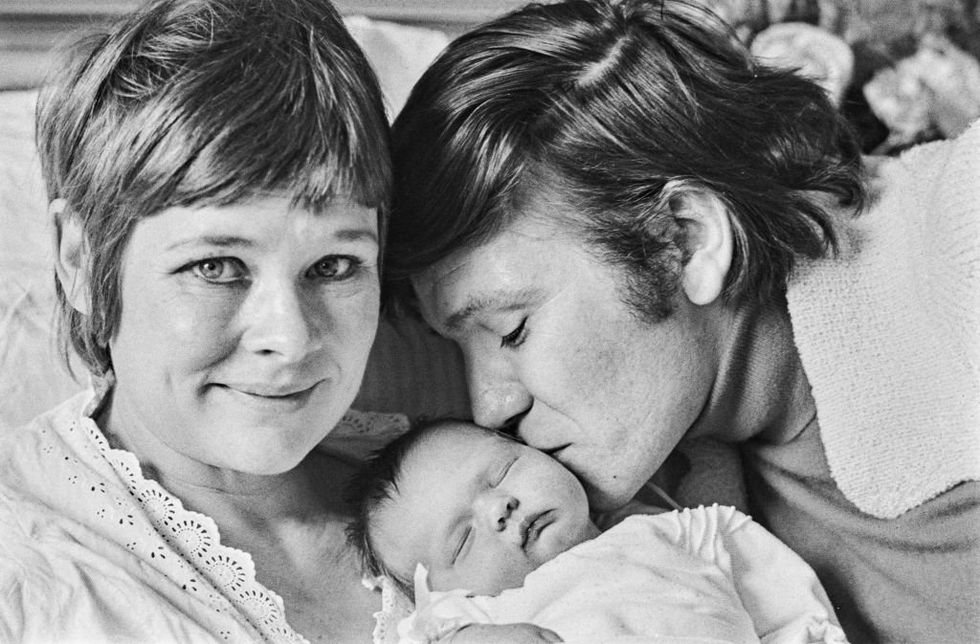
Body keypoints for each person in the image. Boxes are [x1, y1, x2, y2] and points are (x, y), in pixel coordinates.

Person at [383, 1, 980, 642]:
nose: (489, 408)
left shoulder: (959, 236)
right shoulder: (644, 525)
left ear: (685, 239)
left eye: (511, 329)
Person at [0, 0, 401, 640]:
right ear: (79, 257)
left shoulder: (472, 487)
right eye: (216, 267)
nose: (290, 337)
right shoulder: (25, 570)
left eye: (333, 265)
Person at [347, 419, 848, 644]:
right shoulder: (478, 615)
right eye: (462, 540)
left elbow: (792, 608)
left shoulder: (680, 531)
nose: (499, 509)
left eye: (502, 473)